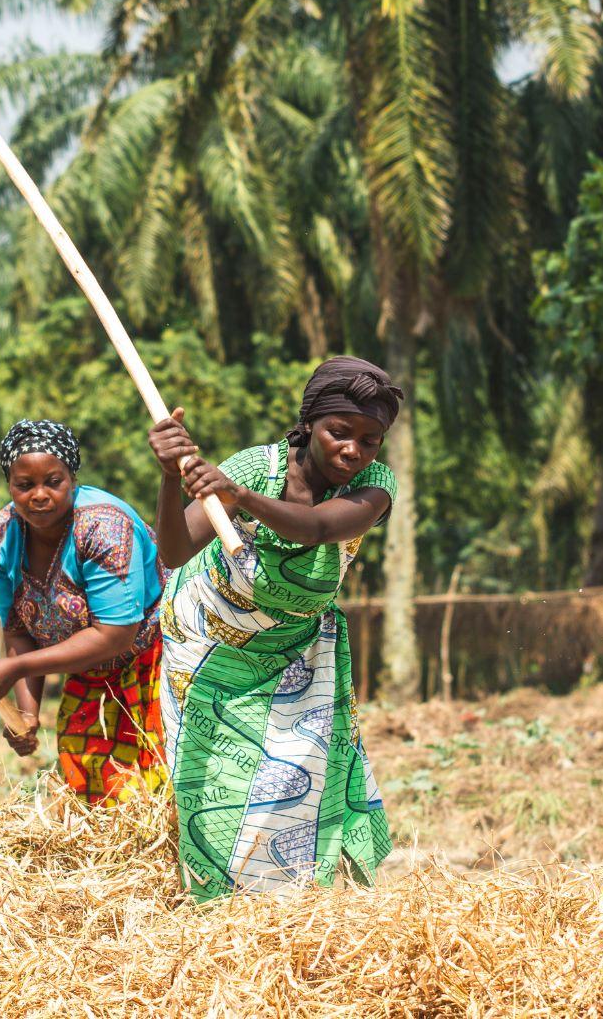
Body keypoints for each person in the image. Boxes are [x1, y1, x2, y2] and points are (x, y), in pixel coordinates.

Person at [147, 356, 402, 900]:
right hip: (208, 644)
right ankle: (217, 908)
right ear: (309, 423)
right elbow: (172, 549)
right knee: (215, 782)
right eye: (339, 432)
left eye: (369, 439)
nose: (353, 450)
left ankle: (288, 903)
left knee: (294, 778)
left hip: (296, 650)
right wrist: (172, 479)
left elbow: (318, 528)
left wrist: (240, 502)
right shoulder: (253, 468)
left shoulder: (374, 486)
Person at [0, 420, 167, 806]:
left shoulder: (102, 528)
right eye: (24, 485)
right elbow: (18, 629)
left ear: (72, 478)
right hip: (89, 669)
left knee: (159, 777)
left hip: (156, 657)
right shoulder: (1, 537)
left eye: (53, 482)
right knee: (88, 772)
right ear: (9, 485)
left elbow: (115, 635)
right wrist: (27, 715)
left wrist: (15, 670)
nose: (39, 495)